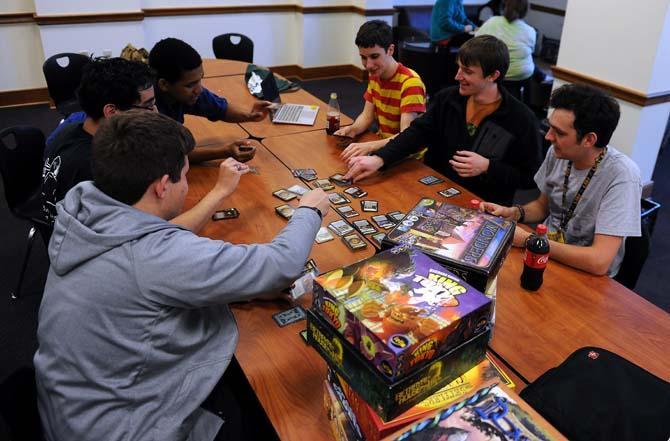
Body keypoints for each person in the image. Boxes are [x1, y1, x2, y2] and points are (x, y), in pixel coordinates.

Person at [33, 110, 330, 441]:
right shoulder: (153, 256)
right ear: (162, 186)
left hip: (71, 404)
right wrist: (310, 209)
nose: (186, 185)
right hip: (121, 427)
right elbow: (281, 264)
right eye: (185, 176)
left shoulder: (86, 205)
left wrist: (242, 291)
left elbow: (146, 282)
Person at [344, 35, 542, 205]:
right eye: (459, 68)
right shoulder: (448, 98)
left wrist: (488, 167)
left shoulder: (522, 119)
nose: (458, 76)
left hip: (484, 205)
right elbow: (415, 134)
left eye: (468, 71)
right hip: (434, 190)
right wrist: (379, 159)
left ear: (493, 75)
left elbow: (529, 178)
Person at [481, 84, 641, 276]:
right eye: (550, 128)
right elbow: (543, 206)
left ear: (589, 139)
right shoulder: (558, 153)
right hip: (545, 254)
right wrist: (514, 213)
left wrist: (529, 240)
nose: (548, 137)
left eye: (560, 133)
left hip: (585, 275)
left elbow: (599, 261)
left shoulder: (622, 175)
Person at [47, 37, 269, 163]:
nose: (198, 90)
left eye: (200, 80)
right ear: (163, 84)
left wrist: (248, 115)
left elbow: (217, 106)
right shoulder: (131, 115)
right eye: (191, 84)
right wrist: (224, 152)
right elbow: (169, 156)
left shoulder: (173, 92)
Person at [41, 57, 156, 226]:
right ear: (112, 111)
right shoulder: (98, 165)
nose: (155, 113)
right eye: (148, 106)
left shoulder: (71, 129)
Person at [334, 20, 427, 162]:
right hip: (385, 148)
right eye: (363, 57)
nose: (368, 65)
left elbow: (406, 137)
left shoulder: (410, 83)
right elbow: (366, 117)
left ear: (390, 50)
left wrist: (370, 146)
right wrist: (352, 130)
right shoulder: (376, 75)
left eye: (374, 56)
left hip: (408, 158)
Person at [475, 0, 536, 82]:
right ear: (525, 11)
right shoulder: (530, 31)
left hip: (492, 73)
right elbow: (531, 51)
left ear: (505, 6)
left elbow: (475, 42)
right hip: (521, 75)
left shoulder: (492, 21)